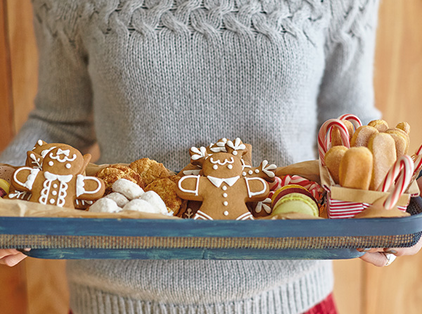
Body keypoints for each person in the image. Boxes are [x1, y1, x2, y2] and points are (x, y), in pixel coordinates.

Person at [1, 0, 421, 313]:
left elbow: (354, 127)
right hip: (114, 299)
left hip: (290, 297)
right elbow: (57, 124)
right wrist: (8, 205)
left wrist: (390, 207)